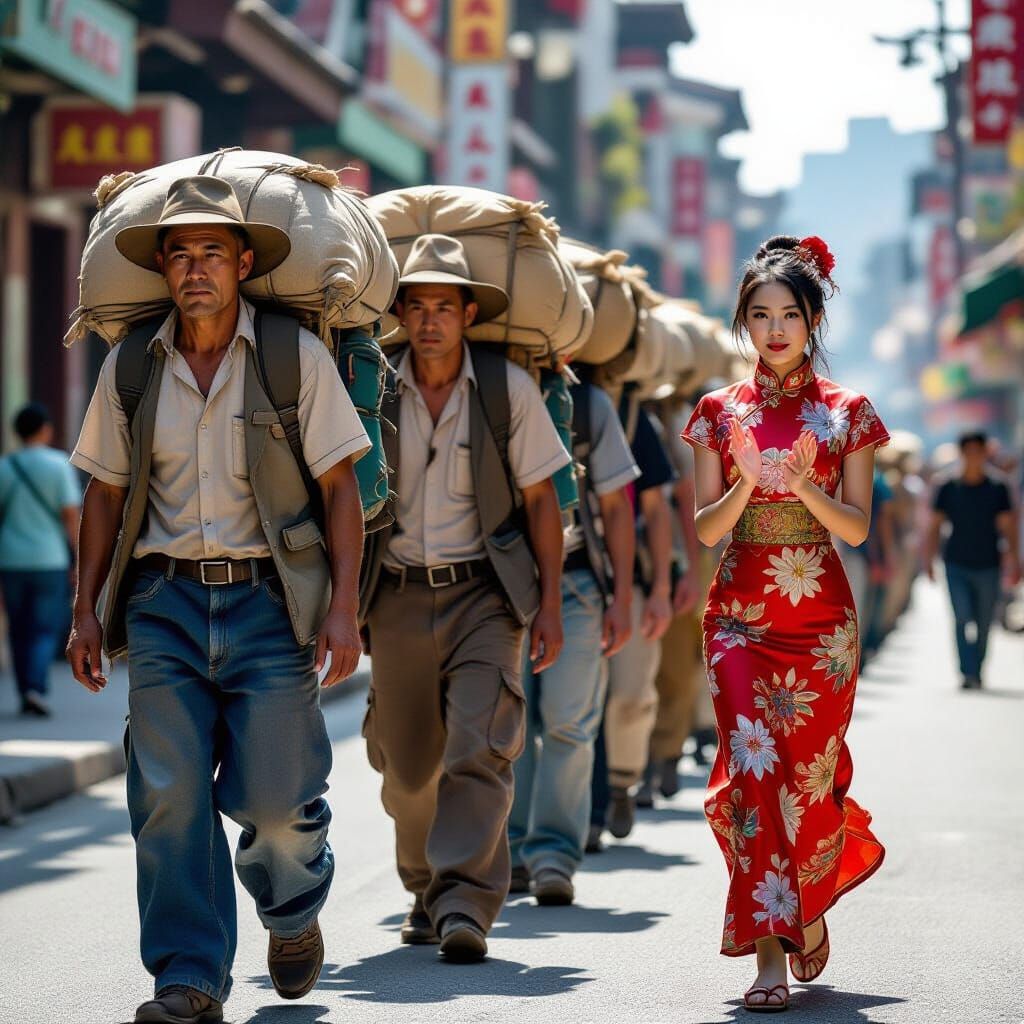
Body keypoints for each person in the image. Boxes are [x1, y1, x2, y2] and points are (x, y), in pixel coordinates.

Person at [67, 176, 369, 1024]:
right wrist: (85, 609)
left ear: (242, 263)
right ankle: (189, 975)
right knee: (168, 796)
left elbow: (340, 488)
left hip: (269, 606)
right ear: (162, 267)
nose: (195, 268)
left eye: (212, 252)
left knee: (277, 806)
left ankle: (292, 907)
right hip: (162, 603)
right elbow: (101, 494)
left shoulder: (289, 355)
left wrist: (342, 608)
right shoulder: (132, 365)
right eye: (180, 253)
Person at [682, 235, 888, 1013]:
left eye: (789, 315)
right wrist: (740, 482)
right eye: (760, 315)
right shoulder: (716, 412)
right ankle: (768, 951)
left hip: (820, 618)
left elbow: (858, 528)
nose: (774, 330)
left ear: (814, 320)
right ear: (743, 322)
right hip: (737, 616)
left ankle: (809, 904)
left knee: (804, 779)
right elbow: (706, 531)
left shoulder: (848, 414)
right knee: (753, 773)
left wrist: (803, 487)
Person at [358, 234, 569, 962]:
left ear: (468, 312)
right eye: (415, 307)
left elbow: (543, 502)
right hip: (395, 597)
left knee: (480, 750)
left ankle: (465, 904)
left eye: (443, 306)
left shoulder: (506, 387)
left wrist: (546, 605)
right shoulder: (376, 387)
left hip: (486, 594)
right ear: (400, 316)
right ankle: (423, 885)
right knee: (407, 769)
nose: (429, 321)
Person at [509, 377, 638, 904]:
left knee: (570, 724)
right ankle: (509, 851)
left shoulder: (585, 404)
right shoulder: (485, 384)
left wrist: (623, 597)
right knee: (506, 725)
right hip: (501, 585)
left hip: (581, 583)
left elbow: (617, 506)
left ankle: (553, 857)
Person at [588, 397, 675, 846]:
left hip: (634, 578)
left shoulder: (632, 417)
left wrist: (661, 586)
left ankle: (622, 783)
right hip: (569, 575)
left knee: (629, 693)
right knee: (575, 708)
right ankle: (585, 811)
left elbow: (658, 509)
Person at [639, 397, 702, 805]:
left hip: (675, 562)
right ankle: (639, 764)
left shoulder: (680, 425)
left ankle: (665, 754)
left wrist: (694, 571)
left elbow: (687, 501)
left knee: (677, 669)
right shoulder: (623, 414)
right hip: (628, 566)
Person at [923, 431, 1021, 689]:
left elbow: (1008, 525)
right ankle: (967, 672)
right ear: (962, 453)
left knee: (984, 621)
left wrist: (1014, 559)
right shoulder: (947, 485)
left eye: (979, 451)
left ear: (985, 453)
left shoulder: (998, 486)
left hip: (989, 563)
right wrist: (928, 559)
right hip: (955, 562)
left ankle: (977, 668)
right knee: (961, 617)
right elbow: (935, 525)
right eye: (969, 452)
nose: (974, 457)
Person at [0, 403, 80, 716]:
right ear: (45, 429)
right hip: (49, 559)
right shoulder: (59, 464)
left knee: (18, 627)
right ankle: (35, 686)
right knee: (45, 627)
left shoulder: (5, 467)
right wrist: (78, 557)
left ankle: (24, 690)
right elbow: (71, 516)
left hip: (10, 560)